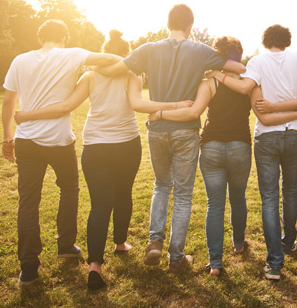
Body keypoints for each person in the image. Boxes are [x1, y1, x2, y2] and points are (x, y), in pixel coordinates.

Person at [12, 53, 189, 290]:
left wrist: (26, 115)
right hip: (127, 144)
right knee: (123, 194)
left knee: (99, 205)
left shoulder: (89, 76)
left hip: (95, 147)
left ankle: (95, 265)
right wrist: (175, 104)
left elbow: (66, 106)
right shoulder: (132, 75)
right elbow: (138, 105)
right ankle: (120, 244)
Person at [95, 4, 245, 271]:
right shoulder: (200, 51)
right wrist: (215, 71)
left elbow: (114, 68)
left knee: (161, 185)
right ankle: (176, 258)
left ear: (167, 24)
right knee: (184, 193)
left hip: (157, 128)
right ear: (190, 25)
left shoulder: (148, 49)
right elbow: (239, 67)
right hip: (186, 129)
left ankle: (155, 241)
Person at [153, 36, 297, 276]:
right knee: (238, 198)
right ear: (239, 54)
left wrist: (161, 113)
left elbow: (195, 110)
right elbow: (262, 110)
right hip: (239, 147)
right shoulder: (248, 82)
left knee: (214, 205)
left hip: (211, 146)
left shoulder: (209, 81)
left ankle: (215, 264)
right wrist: (295, 112)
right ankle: (238, 244)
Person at [209, 24, 297, 280]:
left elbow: (249, 94)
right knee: (290, 192)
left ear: (264, 41)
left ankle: (274, 262)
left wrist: (219, 75)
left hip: (267, 137)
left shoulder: (257, 63)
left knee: (269, 198)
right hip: (293, 133)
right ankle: (289, 242)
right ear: (288, 41)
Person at [1, 19, 123, 285]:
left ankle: (29, 267)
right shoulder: (74, 55)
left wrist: (7, 137)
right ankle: (66, 245)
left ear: (40, 38)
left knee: (28, 202)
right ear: (65, 37)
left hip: (27, 141)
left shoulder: (20, 60)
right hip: (59, 141)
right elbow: (115, 57)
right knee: (69, 189)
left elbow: (9, 101)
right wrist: (92, 65)